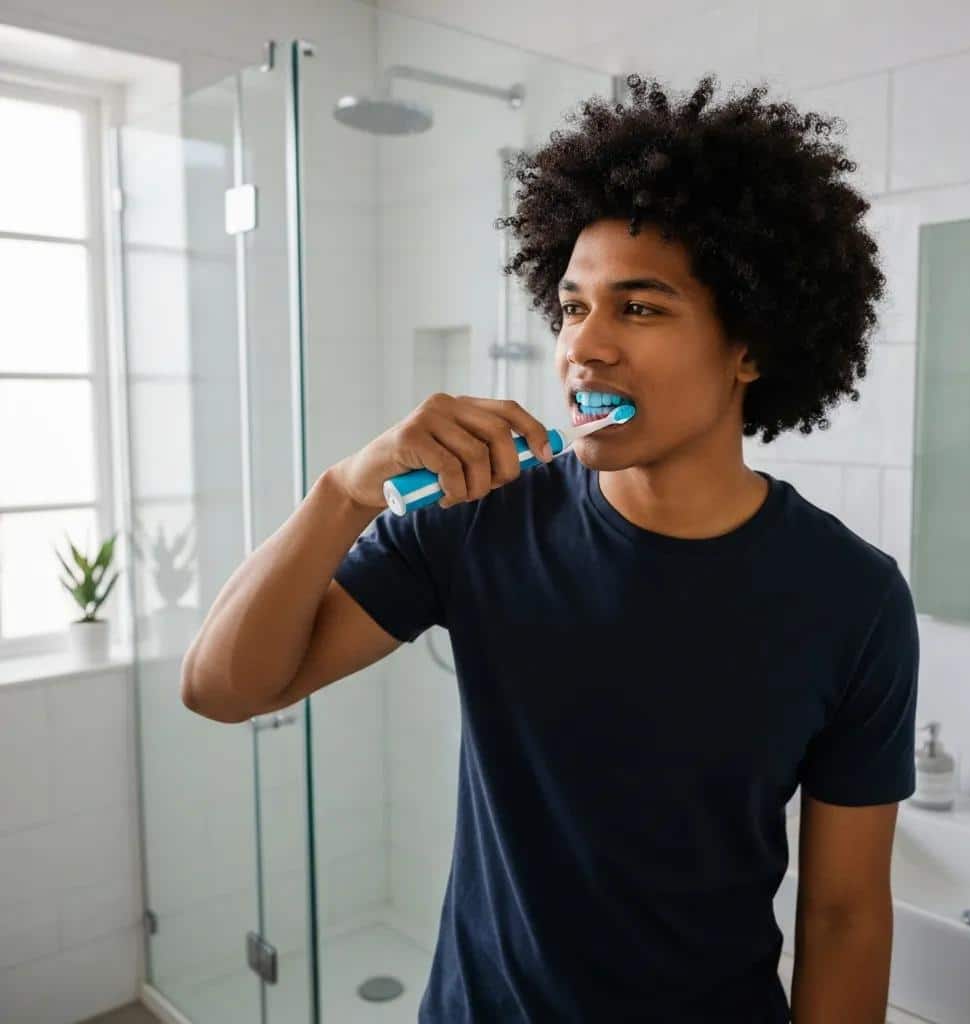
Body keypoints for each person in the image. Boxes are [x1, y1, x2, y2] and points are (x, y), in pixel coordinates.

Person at [182, 72, 919, 1022]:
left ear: (752, 346)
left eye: (640, 309)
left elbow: (847, 918)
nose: (584, 347)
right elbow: (224, 688)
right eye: (573, 307)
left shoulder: (851, 598)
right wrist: (345, 491)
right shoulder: (477, 522)